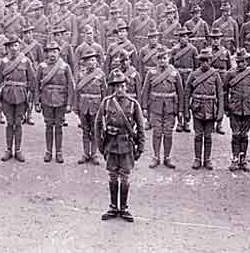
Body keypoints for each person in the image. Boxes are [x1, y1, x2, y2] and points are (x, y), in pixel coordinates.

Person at [96, 69, 146, 223]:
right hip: (110, 144)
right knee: (112, 175)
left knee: (124, 177)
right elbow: (98, 124)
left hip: (126, 145)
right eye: (116, 86)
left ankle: (123, 208)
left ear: (127, 87)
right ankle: (112, 207)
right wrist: (100, 146)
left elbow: (141, 127)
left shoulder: (133, 104)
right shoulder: (106, 102)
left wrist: (140, 148)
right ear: (113, 87)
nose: (119, 89)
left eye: (122, 86)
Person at [141, 46, 184, 169]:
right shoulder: (151, 73)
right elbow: (145, 91)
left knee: (168, 133)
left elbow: (181, 93)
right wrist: (144, 107)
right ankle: (156, 157)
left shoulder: (175, 73)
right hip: (155, 107)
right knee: (157, 132)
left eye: (164, 58)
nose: (162, 61)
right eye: (159, 59)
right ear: (156, 60)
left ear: (168, 58)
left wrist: (180, 109)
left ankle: (167, 157)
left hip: (170, 108)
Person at [0, 36, 36, 162]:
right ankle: (8, 149)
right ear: (7, 48)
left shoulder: (25, 61)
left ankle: (18, 150)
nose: (13, 49)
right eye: (11, 46)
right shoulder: (3, 62)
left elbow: (32, 80)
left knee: (18, 123)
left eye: (16, 46)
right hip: (7, 96)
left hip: (21, 96)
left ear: (19, 46)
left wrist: (31, 99)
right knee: (9, 123)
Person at [184, 48, 224, 170]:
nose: (205, 63)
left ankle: (207, 159)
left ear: (210, 61)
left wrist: (220, 112)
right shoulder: (193, 75)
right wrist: (186, 111)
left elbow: (220, 94)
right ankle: (197, 159)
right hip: (197, 109)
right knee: (198, 135)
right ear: (199, 62)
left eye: (207, 61)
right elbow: (187, 93)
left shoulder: (215, 75)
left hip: (211, 109)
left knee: (208, 136)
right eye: (203, 61)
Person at [35, 41, 74, 163]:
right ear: (46, 53)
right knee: (48, 126)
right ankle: (48, 151)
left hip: (61, 101)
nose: (52, 54)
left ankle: (59, 152)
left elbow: (70, 86)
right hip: (46, 100)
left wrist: (69, 103)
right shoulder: (42, 67)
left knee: (59, 127)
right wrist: (37, 102)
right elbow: (36, 85)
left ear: (59, 53)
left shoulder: (65, 67)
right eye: (50, 52)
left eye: (55, 51)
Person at [223, 48, 250, 172]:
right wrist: (226, 107)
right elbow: (224, 91)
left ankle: (243, 159)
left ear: (246, 61)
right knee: (235, 135)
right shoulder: (230, 74)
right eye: (238, 62)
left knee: (244, 135)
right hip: (235, 109)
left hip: (248, 108)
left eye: (242, 61)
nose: (240, 64)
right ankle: (234, 158)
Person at [73, 48, 106, 165]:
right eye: (89, 60)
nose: (91, 62)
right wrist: (75, 107)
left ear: (96, 61)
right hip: (83, 106)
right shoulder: (81, 75)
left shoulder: (101, 75)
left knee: (95, 131)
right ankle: (85, 153)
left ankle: (95, 154)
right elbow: (76, 92)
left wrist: (104, 109)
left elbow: (104, 94)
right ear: (85, 63)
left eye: (93, 60)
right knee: (85, 131)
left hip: (96, 107)